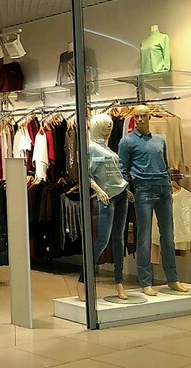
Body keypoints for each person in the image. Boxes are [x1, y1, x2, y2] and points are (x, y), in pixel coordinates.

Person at [118, 106, 187, 296]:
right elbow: (122, 168)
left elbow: (165, 164)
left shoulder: (159, 139)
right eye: (137, 116)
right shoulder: (127, 141)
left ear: (149, 117)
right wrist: (126, 189)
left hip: (164, 189)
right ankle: (145, 281)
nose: (140, 119)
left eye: (143, 115)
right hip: (144, 190)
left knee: (168, 236)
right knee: (144, 237)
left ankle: (173, 279)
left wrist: (169, 182)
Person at [76, 114, 130, 301]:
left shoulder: (106, 147)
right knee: (102, 240)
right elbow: (86, 174)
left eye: (110, 125)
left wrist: (125, 188)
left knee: (118, 240)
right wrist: (98, 190)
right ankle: (83, 281)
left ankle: (119, 282)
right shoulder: (91, 148)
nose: (109, 129)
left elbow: (115, 173)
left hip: (121, 194)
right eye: (106, 126)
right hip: (107, 197)